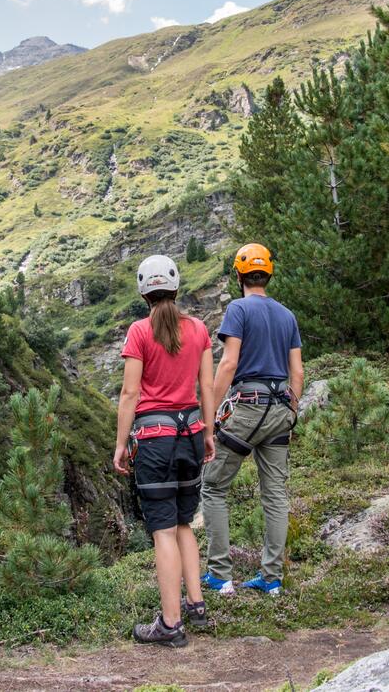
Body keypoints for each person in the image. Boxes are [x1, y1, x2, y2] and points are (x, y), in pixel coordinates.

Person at [113, 254, 216, 647]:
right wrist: (208, 432)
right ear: (175, 285)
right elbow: (205, 387)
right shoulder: (199, 330)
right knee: (185, 522)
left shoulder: (139, 331)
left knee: (162, 531)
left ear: (144, 290)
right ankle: (196, 604)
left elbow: (130, 392)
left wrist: (122, 444)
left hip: (154, 440)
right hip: (191, 432)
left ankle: (171, 625)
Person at [200, 243, 304, 596]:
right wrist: (291, 411)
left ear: (239, 275)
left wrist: (211, 415)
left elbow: (229, 363)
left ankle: (219, 575)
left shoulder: (238, 309)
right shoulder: (287, 316)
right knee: (275, 495)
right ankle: (271, 578)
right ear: (268, 274)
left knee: (213, 486)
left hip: (247, 407)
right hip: (279, 408)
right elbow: (297, 371)